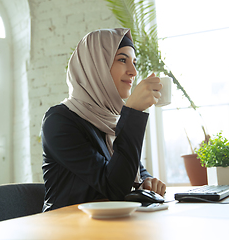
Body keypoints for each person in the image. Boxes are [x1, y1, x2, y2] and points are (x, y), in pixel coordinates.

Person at [41, 28, 166, 212]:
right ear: (96, 65)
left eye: (134, 62)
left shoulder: (111, 119)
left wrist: (147, 181)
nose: (133, 71)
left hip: (110, 225)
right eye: (122, 60)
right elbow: (114, 187)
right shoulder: (59, 121)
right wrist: (132, 112)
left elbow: (133, 168)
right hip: (66, 228)